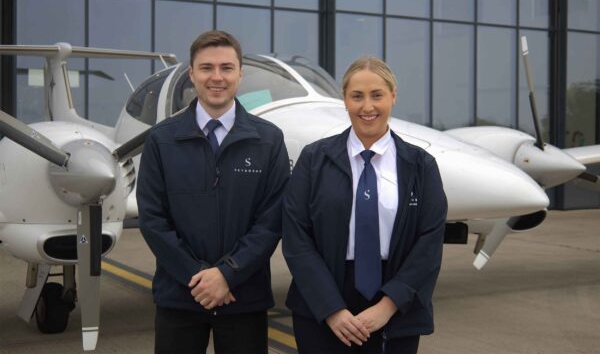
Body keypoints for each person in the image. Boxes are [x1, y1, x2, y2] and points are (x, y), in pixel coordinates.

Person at [137, 30, 290, 354]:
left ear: (239, 74)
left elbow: (271, 220)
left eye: (226, 68)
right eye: (206, 68)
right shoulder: (161, 140)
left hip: (243, 298)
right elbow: (152, 219)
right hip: (180, 296)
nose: (216, 77)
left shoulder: (269, 140)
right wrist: (198, 276)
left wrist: (227, 274)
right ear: (192, 74)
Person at [282, 56, 447, 354]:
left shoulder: (421, 166)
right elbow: (297, 238)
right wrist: (331, 309)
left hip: (396, 303)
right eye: (357, 96)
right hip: (323, 303)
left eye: (377, 95)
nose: (367, 107)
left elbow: (430, 243)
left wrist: (388, 306)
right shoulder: (313, 159)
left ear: (393, 96)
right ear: (344, 100)